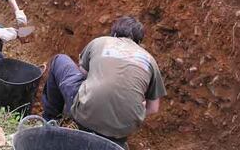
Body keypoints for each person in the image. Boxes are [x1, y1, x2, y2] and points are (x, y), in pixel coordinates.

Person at [42, 16, 167, 149]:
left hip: (86, 114)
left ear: (114, 33)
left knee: (59, 60)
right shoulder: (149, 60)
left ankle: (50, 122)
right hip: (121, 130)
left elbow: (83, 75)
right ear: (139, 42)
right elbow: (153, 108)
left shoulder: (100, 42)